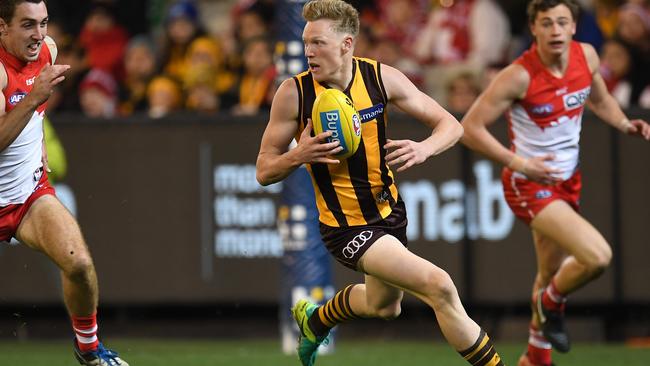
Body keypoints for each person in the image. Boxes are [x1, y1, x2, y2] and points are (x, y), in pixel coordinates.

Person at [256, 1, 504, 366]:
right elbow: (264, 170)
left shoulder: (380, 78)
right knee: (439, 286)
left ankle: (315, 319)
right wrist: (298, 155)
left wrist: (424, 148)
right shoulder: (294, 94)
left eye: (318, 42)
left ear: (346, 44)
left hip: (389, 213)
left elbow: (452, 125)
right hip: (345, 227)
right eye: (306, 41)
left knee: (384, 307)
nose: (309, 51)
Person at [459, 1, 650, 366]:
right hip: (528, 183)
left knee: (548, 272)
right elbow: (469, 127)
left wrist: (625, 124)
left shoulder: (588, 56)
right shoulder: (519, 75)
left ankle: (535, 357)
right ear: (534, 29)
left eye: (562, 22)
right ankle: (551, 303)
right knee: (597, 256)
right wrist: (520, 163)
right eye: (547, 23)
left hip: (567, 179)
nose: (556, 31)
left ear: (574, 27)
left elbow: (600, 98)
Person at [0, 1, 129, 365]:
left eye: (43, 23)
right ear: (2, 27)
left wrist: (37, 141)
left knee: (80, 264)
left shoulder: (47, 50)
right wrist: (36, 98)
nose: (38, 35)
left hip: (27, 197)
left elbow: (32, 111)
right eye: (27, 25)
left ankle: (89, 351)